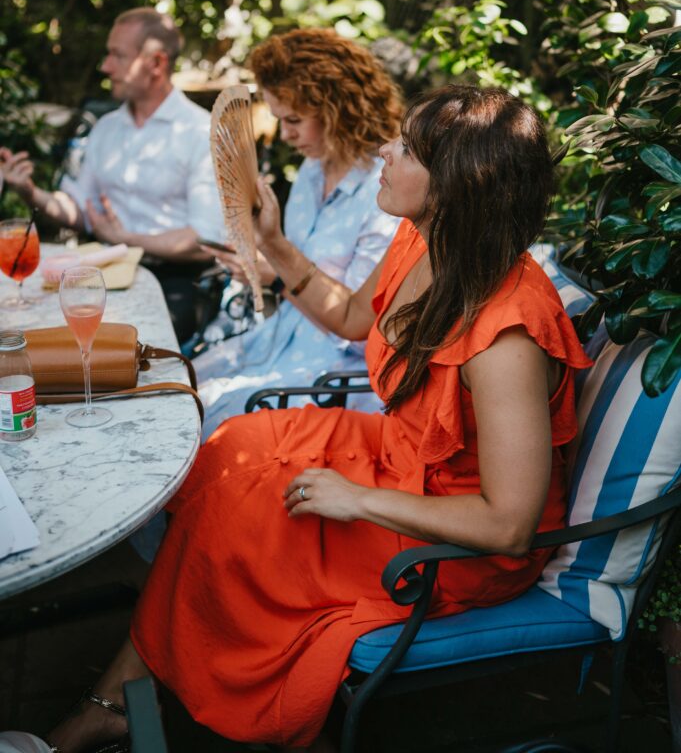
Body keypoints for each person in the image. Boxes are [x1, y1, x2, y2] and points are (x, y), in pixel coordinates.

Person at [44, 85, 592, 753]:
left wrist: (359, 499)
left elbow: (507, 526)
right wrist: (273, 242)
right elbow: (348, 317)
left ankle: (140, 696)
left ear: (457, 184)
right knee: (227, 447)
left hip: (456, 533)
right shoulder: (424, 243)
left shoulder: (506, 335)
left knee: (247, 514)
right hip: (399, 455)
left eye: (408, 149)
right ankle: (142, 674)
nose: (384, 154)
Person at [195, 27, 404, 439]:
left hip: (336, 373)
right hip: (281, 336)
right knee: (176, 386)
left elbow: (358, 321)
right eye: (279, 120)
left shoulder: (387, 190)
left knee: (205, 421)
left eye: (294, 120)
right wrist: (263, 262)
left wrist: (275, 258)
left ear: (338, 108)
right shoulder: (311, 172)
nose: (286, 135)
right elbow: (302, 278)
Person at [0, 8, 225, 343]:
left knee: (112, 349)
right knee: (33, 328)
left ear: (156, 63)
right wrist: (31, 192)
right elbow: (80, 208)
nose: (105, 67)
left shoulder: (201, 132)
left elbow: (208, 240)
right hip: (104, 274)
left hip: (177, 282)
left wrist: (125, 239)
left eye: (117, 55)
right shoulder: (106, 128)